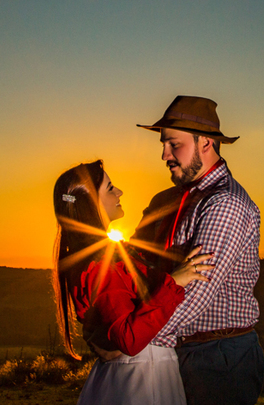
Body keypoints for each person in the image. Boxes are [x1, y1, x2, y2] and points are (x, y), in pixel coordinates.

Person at [132, 95, 264, 405]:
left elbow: (195, 295)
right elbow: (135, 262)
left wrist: (136, 340)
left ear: (205, 142)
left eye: (173, 144)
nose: (164, 154)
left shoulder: (225, 204)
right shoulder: (167, 199)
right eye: (164, 144)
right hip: (177, 349)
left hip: (217, 360)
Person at [52, 160, 213, 405]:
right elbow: (128, 338)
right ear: (90, 204)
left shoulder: (91, 255)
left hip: (128, 375)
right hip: (140, 378)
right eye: (109, 188)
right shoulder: (102, 262)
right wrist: (174, 282)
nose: (119, 192)